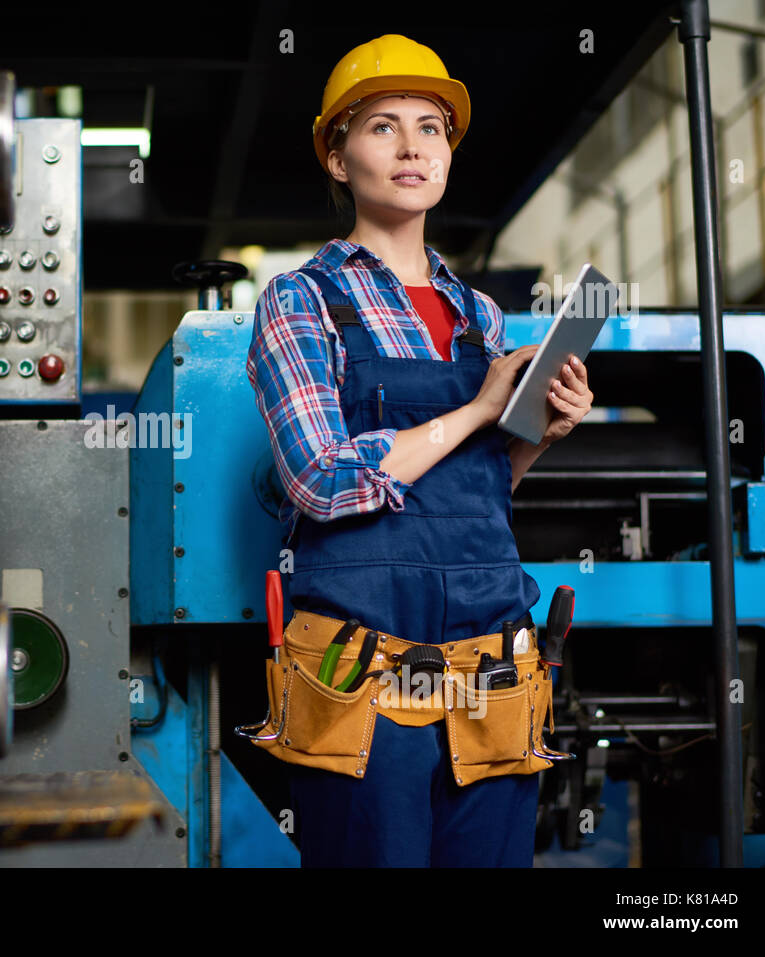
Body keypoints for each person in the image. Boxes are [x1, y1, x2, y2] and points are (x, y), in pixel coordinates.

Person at [245, 34, 593, 866]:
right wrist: (478, 408)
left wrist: (536, 436)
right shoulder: (302, 300)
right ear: (338, 157)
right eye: (382, 127)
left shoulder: (481, 316)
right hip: (361, 677)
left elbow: (480, 487)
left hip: (493, 674)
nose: (412, 146)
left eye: (431, 127)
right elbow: (320, 480)